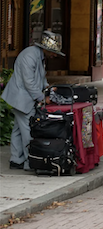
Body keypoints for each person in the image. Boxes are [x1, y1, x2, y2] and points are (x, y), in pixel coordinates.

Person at [2, 31, 64, 170]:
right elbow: (29, 82)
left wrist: (47, 87)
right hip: (22, 99)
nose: (54, 55)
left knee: (18, 130)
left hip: (23, 97)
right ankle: (31, 162)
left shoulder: (39, 56)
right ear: (46, 49)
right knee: (29, 131)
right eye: (53, 52)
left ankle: (16, 159)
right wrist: (42, 98)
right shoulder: (30, 56)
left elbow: (40, 78)